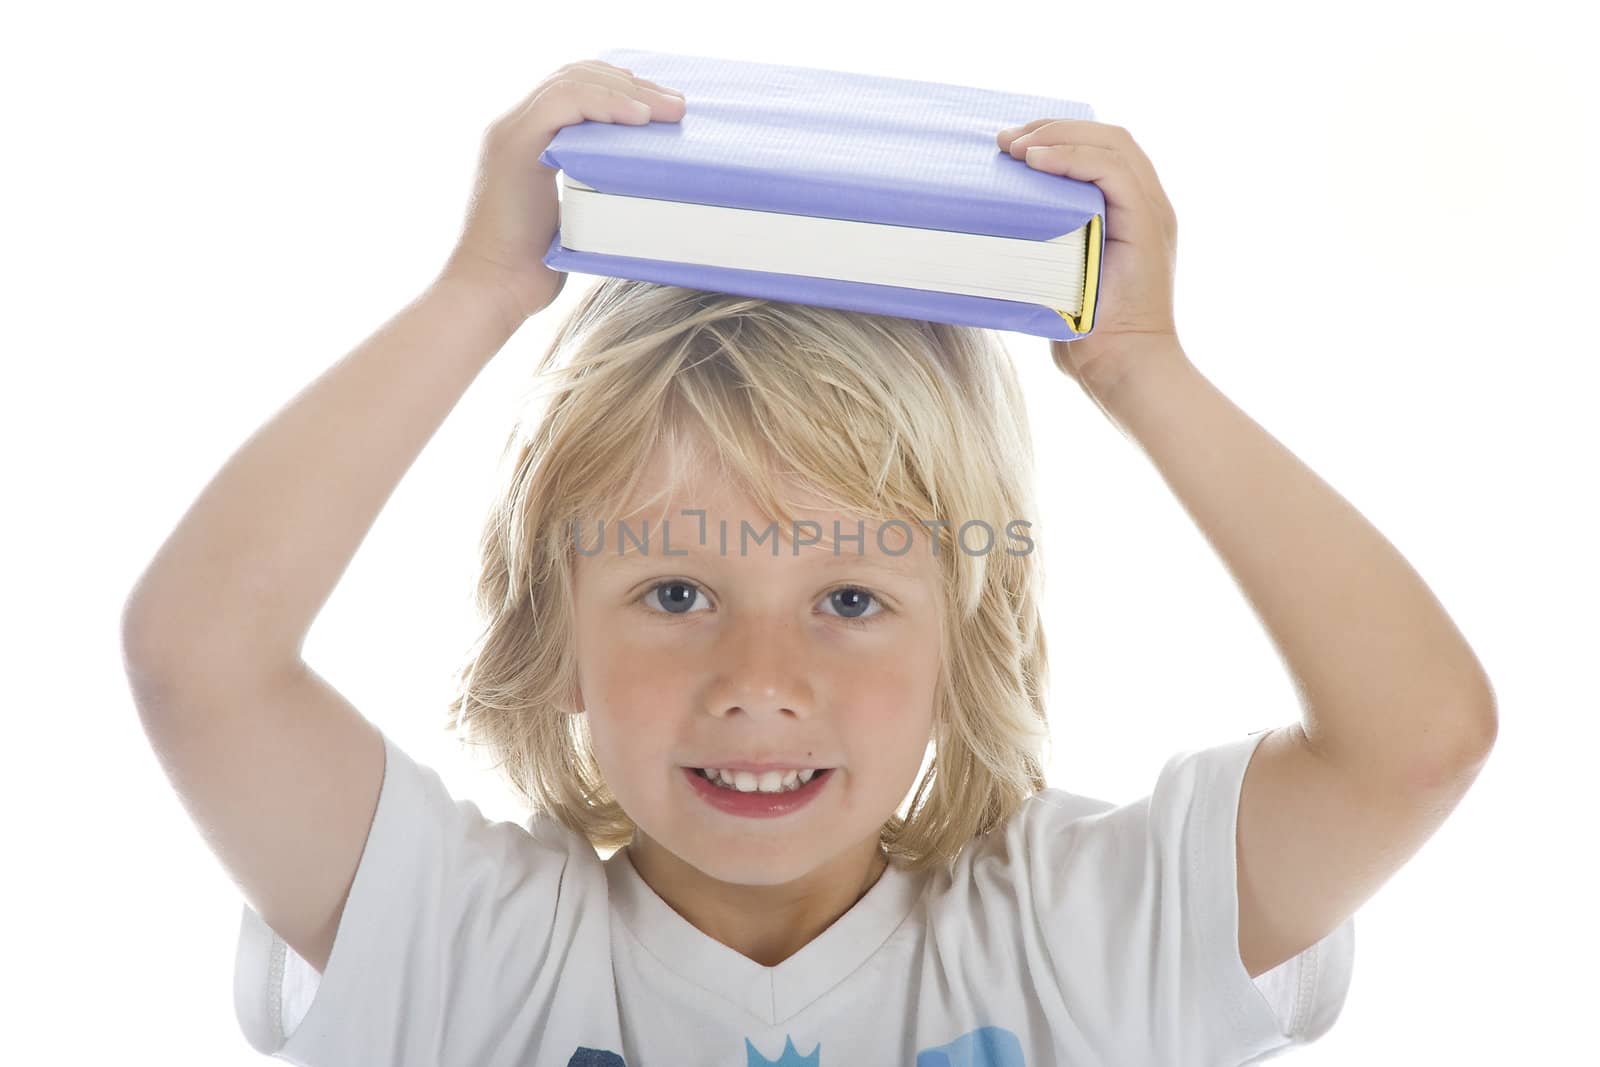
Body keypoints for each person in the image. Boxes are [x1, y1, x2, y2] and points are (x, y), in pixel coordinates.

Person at [121, 58, 1498, 1066]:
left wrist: (1142, 368)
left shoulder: (1079, 932)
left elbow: (1417, 740)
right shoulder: (464, 945)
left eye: (849, 599)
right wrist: (479, 291)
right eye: (676, 593)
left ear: (968, 638)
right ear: (557, 639)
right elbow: (201, 664)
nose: (760, 681)